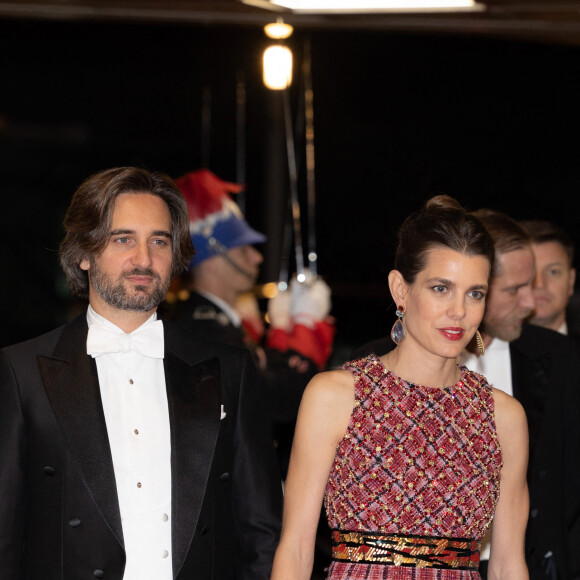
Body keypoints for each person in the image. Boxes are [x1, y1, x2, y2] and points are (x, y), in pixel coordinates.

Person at [0, 166, 282, 579]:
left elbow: (261, 532)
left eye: (159, 241)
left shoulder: (228, 370)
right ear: (83, 252)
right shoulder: (21, 371)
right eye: (123, 239)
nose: (144, 260)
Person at [272, 195, 529, 579]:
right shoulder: (335, 396)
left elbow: (509, 564)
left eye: (474, 293)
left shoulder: (503, 416)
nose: (459, 310)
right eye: (441, 288)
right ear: (401, 290)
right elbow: (294, 550)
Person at [353, 208, 580, 580]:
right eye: (514, 289)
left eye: (475, 293)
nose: (530, 303)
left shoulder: (546, 370)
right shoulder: (363, 377)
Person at [167, 168, 335, 479]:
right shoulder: (207, 330)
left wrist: (283, 329)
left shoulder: (214, 323)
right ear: (215, 258)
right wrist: (305, 327)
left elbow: (260, 372)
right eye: (244, 249)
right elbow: (276, 401)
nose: (256, 259)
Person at [519, 219, 578, 335]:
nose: (540, 284)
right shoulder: (482, 351)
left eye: (553, 272)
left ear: (571, 280)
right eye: (529, 271)